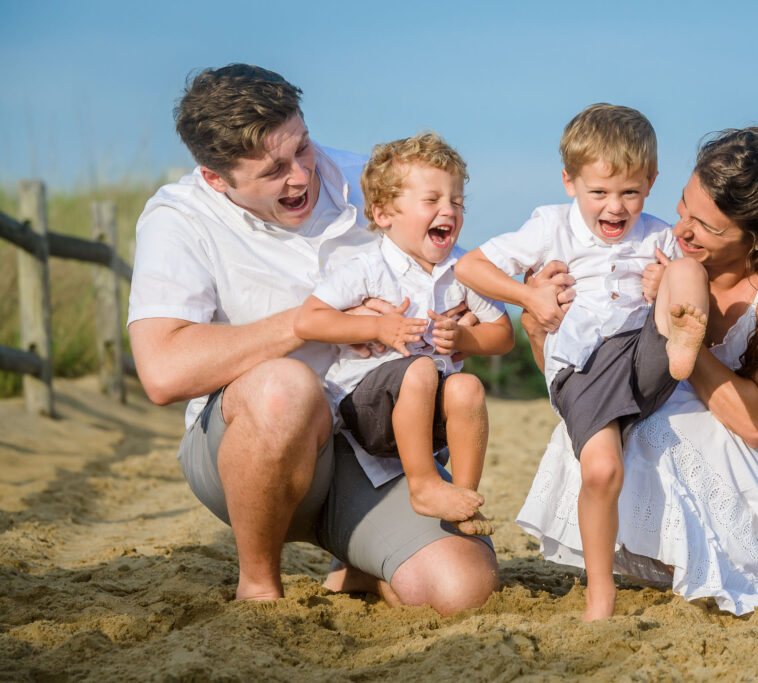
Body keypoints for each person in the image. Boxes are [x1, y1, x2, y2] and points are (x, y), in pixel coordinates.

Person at [127, 64, 498, 613]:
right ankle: (259, 582)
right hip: (252, 449)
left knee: (461, 590)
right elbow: (162, 372)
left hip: (376, 445)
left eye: (302, 146)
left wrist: (490, 312)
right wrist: (311, 322)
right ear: (215, 178)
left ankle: (359, 563)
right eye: (273, 170)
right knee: (284, 388)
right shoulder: (178, 218)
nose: (301, 175)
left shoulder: (376, 183)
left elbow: (455, 282)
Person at [516, 127, 758, 616]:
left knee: (661, 430)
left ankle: (746, 560)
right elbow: (586, 392)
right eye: (684, 206)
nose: (682, 230)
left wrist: (677, 326)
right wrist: (542, 331)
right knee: (605, 429)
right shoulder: (661, 253)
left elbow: (757, 424)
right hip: (715, 421)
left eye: (706, 226)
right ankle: (690, 560)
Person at [456, 103, 710, 620]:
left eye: (630, 192)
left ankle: (685, 343)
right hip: (583, 364)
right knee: (601, 469)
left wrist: (663, 289)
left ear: (651, 182)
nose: (615, 207)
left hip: (648, 350)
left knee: (685, 271)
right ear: (569, 182)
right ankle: (600, 591)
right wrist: (529, 297)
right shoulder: (550, 227)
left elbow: (686, 273)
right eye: (599, 192)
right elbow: (470, 267)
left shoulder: (658, 234)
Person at [293, 132, 513, 536]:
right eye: (432, 200)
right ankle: (423, 485)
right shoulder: (368, 268)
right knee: (420, 370)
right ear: (383, 214)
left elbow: (503, 334)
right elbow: (308, 320)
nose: (448, 210)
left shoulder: (463, 269)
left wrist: (465, 340)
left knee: (467, 387)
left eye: (457, 202)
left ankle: (463, 497)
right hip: (367, 410)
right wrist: (376, 326)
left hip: (429, 420)